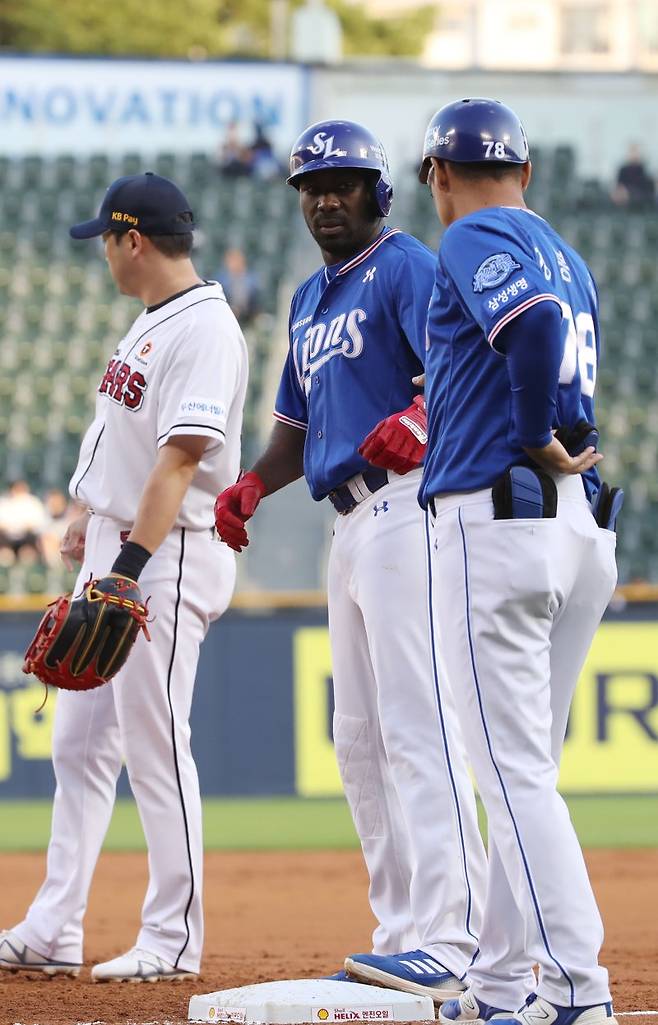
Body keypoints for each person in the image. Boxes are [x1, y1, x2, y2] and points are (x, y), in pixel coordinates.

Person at [214, 120, 487, 1002]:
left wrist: (428, 418)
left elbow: (462, 363)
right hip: (346, 521)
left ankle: (458, 932)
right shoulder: (308, 300)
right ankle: (401, 930)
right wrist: (255, 483)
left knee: (419, 721)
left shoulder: (406, 265)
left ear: (380, 191)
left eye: (343, 182)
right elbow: (296, 426)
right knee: (358, 739)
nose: (326, 197)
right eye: (311, 186)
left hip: (408, 506)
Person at [388, 97, 616, 1025]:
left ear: (439, 176)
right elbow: (553, 351)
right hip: (574, 531)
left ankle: (575, 991)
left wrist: (526, 433)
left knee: (513, 779)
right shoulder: (568, 252)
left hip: (500, 526)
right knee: (531, 778)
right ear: (529, 172)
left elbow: (526, 332)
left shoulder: (468, 234)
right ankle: (496, 981)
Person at [0, 172, 247, 981]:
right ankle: (53, 925)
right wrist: (88, 517)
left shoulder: (204, 328)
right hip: (120, 543)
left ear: (131, 239)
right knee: (78, 743)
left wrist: (128, 569)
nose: (102, 252)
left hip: (164, 552)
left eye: (104, 237)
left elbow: (182, 459)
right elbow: (129, 438)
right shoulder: (152, 322)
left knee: (157, 743)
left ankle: (173, 937)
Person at [217, 246, 262, 324]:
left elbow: (256, 302)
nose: (234, 264)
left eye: (237, 260)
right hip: (227, 316)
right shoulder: (221, 281)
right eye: (232, 261)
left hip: (248, 316)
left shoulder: (251, 281)